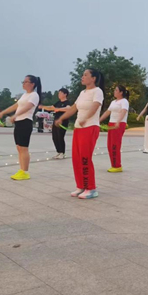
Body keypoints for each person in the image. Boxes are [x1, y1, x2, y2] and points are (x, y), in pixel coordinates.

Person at [55, 69, 104, 198]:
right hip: (79, 128)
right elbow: (73, 108)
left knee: (85, 157)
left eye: (86, 75)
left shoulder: (97, 91)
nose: (82, 77)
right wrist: (61, 118)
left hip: (90, 127)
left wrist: (85, 119)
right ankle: (81, 186)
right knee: (77, 158)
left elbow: (95, 107)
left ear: (93, 78)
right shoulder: (82, 93)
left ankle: (91, 188)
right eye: (83, 75)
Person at [0, 75, 42, 181]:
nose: (23, 83)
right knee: (19, 147)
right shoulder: (25, 95)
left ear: (32, 84)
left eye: (26, 81)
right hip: (18, 123)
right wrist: (3, 112)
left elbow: (27, 107)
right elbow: (15, 106)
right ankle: (21, 170)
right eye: (23, 81)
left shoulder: (34, 95)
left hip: (25, 122)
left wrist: (15, 116)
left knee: (24, 148)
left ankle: (25, 172)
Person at [100, 85, 130, 172]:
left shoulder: (124, 101)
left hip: (119, 124)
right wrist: (98, 120)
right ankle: (113, 164)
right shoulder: (113, 102)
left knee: (115, 145)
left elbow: (123, 111)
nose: (114, 91)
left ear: (121, 92)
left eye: (116, 90)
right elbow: (107, 112)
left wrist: (118, 121)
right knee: (110, 145)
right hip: (111, 123)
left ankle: (117, 166)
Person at [40, 88, 71, 159]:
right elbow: (51, 107)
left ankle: (62, 153)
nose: (59, 95)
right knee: (55, 137)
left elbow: (69, 109)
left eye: (60, 93)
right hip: (56, 121)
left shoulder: (67, 102)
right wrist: (43, 107)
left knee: (60, 137)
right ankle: (58, 152)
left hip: (63, 122)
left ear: (65, 94)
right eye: (58, 93)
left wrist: (59, 109)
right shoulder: (58, 102)